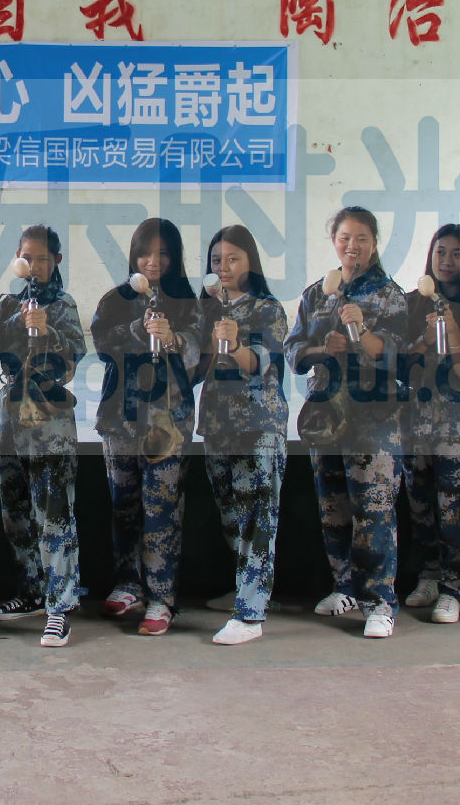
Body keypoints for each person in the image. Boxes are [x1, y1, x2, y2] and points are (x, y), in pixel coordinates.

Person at [283, 207, 406, 639]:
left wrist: (362, 334)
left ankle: (381, 602)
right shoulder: (317, 293)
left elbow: (401, 356)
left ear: (374, 243)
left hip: (375, 416)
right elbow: (294, 350)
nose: (352, 246)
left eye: (361, 239)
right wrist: (323, 350)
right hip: (326, 413)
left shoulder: (390, 295)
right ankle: (345, 587)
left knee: (374, 508)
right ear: (334, 240)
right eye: (344, 238)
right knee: (333, 506)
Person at [89, 217, 203, 637]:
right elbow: (102, 342)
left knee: (162, 509)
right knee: (124, 505)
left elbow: (196, 352)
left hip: (167, 422)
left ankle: (161, 597)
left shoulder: (188, 301)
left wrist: (172, 338)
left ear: (175, 258)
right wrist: (139, 329)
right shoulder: (116, 298)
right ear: (133, 256)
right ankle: (127, 585)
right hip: (120, 418)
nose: (153, 261)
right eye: (145, 253)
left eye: (164, 254)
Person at [0, 224, 87, 647]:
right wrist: (16, 319)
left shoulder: (64, 304)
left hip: (49, 416)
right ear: (17, 259)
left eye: (42, 258)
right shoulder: (6, 302)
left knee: (54, 511)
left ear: (56, 261)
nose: (34, 266)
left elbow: (74, 355)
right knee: (16, 510)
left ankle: (60, 607)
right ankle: (31, 591)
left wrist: (47, 330)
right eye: (27, 257)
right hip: (9, 413)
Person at [196, 225, 288, 645]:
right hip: (218, 424)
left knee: (256, 518)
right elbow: (196, 367)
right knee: (231, 515)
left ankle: (250, 615)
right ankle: (248, 590)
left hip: (258, 425)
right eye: (217, 260)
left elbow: (262, 364)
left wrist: (234, 346)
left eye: (233, 259)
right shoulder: (208, 308)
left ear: (251, 261)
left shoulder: (268, 309)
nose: (224, 267)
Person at [397, 224, 460, 625]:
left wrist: (451, 327)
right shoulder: (411, 303)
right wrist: (422, 339)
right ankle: (430, 575)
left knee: (455, 508)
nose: (448, 261)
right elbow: (398, 367)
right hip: (415, 422)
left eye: (457, 253)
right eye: (441, 253)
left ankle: (455, 586)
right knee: (420, 505)